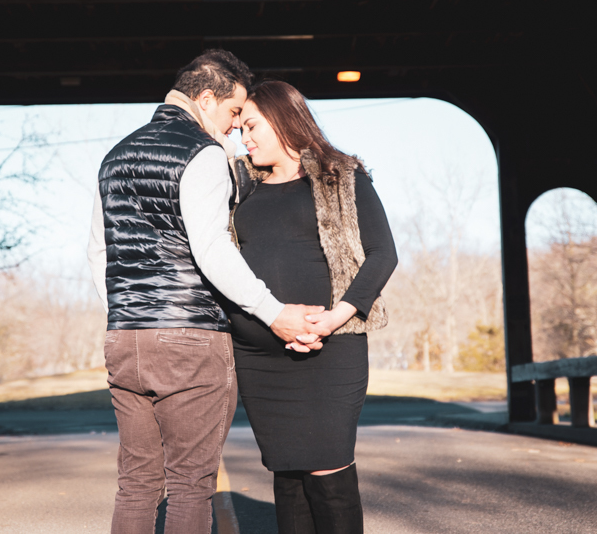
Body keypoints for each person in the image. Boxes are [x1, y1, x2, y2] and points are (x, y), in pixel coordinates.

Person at [87, 50, 325, 534]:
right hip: (190, 339)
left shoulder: (114, 156)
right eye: (235, 112)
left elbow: (99, 253)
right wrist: (273, 311)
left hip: (123, 338)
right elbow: (211, 249)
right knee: (192, 485)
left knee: (136, 484)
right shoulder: (202, 153)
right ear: (206, 98)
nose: (237, 127)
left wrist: (128, 316)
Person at [229, 80, 398, 534]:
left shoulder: (341, 176)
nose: (243, 137)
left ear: (283, 120)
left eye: (251, 126)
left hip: (331, 352)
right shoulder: (240, 187)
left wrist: (332, 319)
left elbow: (383, 254)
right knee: (287, 475)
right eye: (240, 127)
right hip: (261, 359)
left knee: (328, 470)